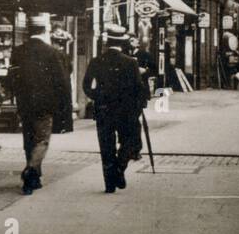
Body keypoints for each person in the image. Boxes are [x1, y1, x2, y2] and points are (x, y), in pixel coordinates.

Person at [8, 28, 73, 195]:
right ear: (44, 32)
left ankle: (34, 179)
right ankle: (31, 171)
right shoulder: (51, 52)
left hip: (25, 104)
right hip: (45, 105)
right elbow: (62, 81)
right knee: (42, 140)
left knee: (29, 140)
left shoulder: (18, 51)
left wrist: (15, 96)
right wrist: (64, 105)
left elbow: (11, 77)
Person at [83, 29, 148, 193]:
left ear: (107, 43)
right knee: (128, 141)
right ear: (122, 43)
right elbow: (139, 88)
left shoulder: (97, 61)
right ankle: (119, 168)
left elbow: (86, 85)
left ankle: (109, 184)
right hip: (126, 110)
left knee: (106, 146)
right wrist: (138, 106)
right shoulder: (130, 62)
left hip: (103, 109)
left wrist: (97, 96)